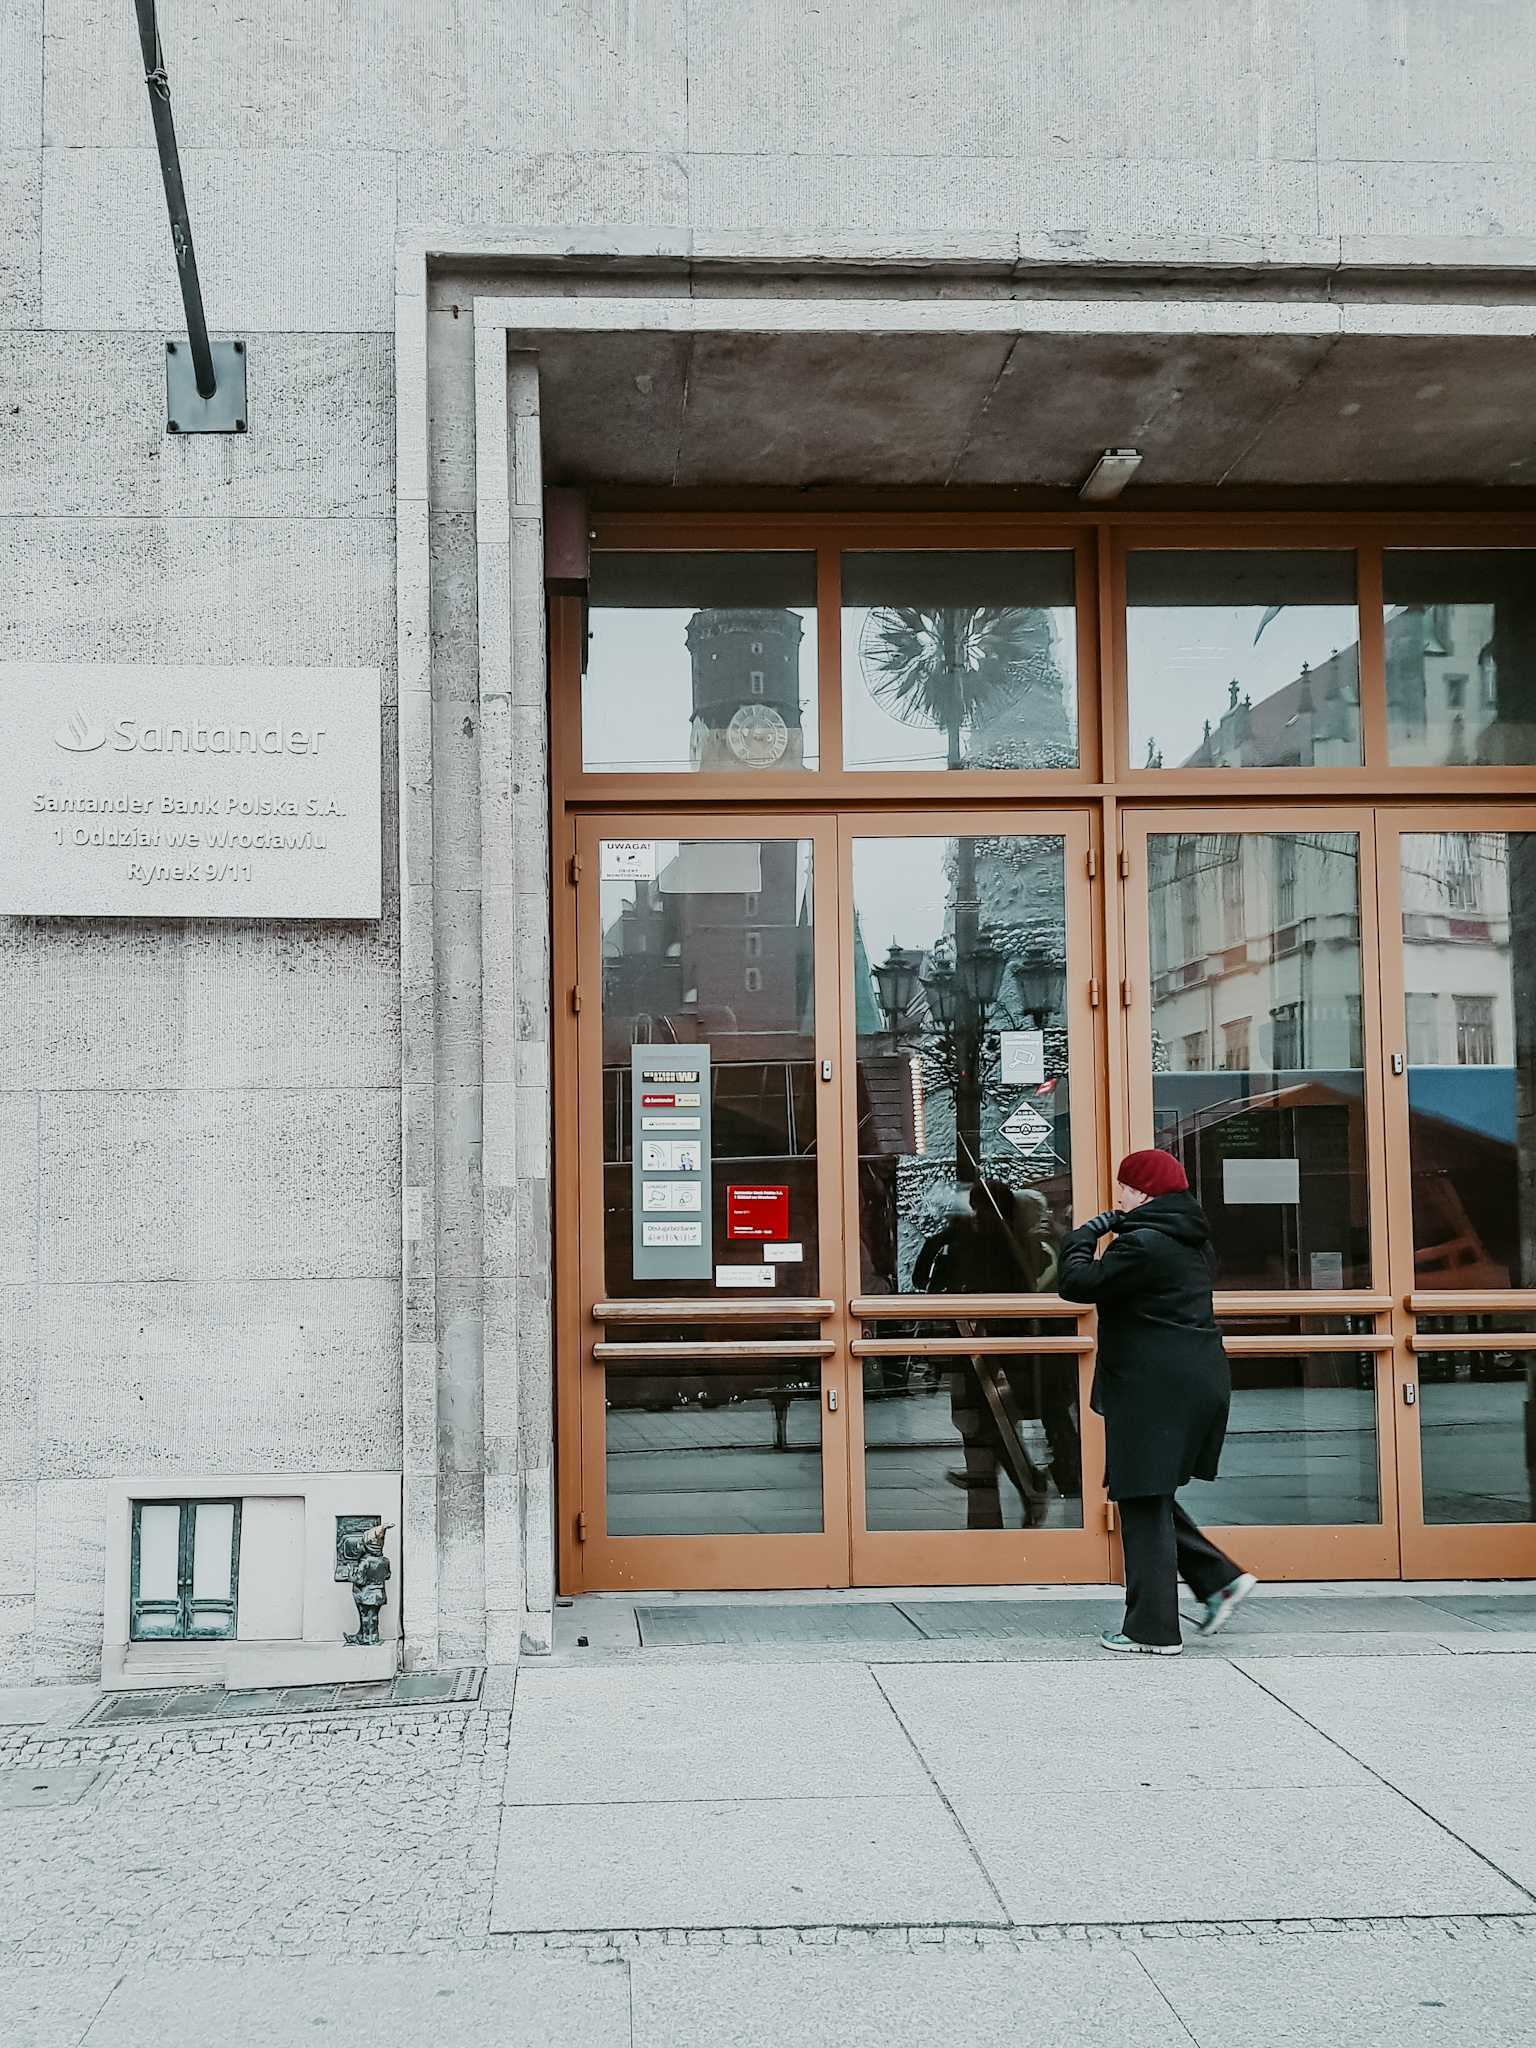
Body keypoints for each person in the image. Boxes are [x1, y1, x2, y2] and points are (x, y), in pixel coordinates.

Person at [1058, 1148, 1257, 1654]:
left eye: (1124, 1187)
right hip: (1185, 1380)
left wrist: (1084, 1236)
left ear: (1142, 1193)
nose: (1118, 1195)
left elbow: (1078, 1284)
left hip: (1155, 1387)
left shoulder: (1143, 1244)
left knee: (1141, 1499)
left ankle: (1151, 1630)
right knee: (1145, 1492)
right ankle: (1218, 1579)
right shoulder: (1186, 1239)